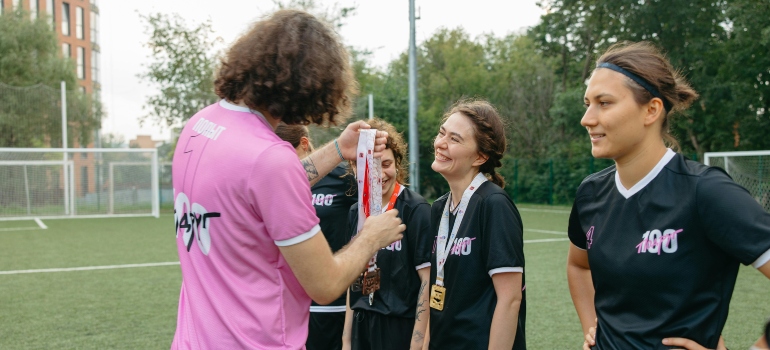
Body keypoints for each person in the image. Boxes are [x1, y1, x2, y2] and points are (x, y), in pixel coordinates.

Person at [171, 10, 405, 350]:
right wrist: (370, 237)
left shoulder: (200, 125)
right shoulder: (270, 159)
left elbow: (258, 188)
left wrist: (339, 148)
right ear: (308, 84)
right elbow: (325, 285)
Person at [568, 41, 770, 350]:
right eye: (587, 103)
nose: (587, 118)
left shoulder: (705, 191)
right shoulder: (590, 193)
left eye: (604, 103)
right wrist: (591, 327)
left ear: (651, 110)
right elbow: (579, 266)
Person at [424, 99, 526, 349]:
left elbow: (510, 299)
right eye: (441, 133)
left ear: (480, 156)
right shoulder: (439, 208)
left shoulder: (493, 204)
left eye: (455, 139)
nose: (441, 144)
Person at [341, 118, 432, 350]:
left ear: (398, 164)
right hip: (362, 325)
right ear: (356, 168)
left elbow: (426, 281)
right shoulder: (356, 212)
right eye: (373, 165)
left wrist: (418, 342)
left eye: (387, 164)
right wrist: (346, 340)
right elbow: (353, 279)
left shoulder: (416, 210)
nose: (380, 174)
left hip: (399, 328)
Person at [276, 123, 357, 350]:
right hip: (292, 302)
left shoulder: (343, 178)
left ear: (304, 143)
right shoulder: (278, 182)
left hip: (335, 301)